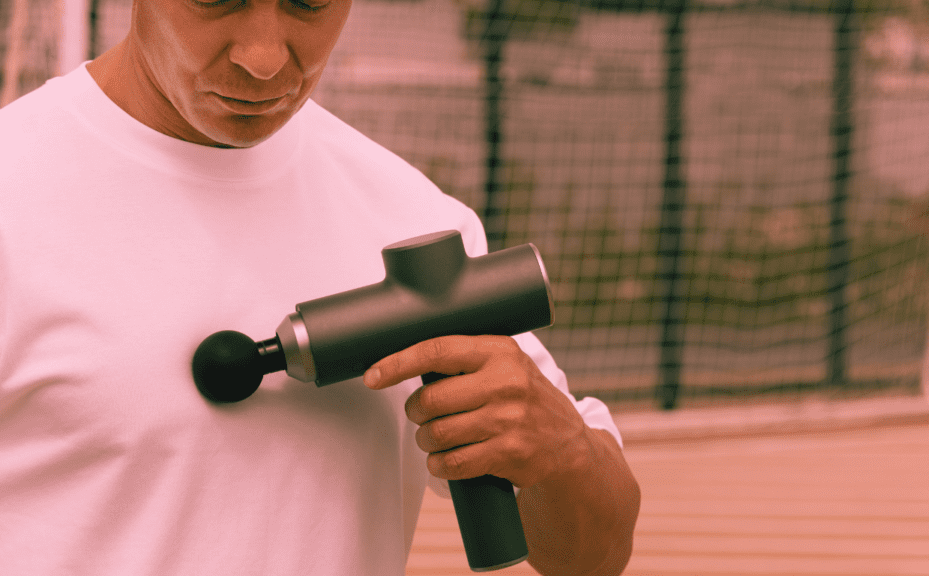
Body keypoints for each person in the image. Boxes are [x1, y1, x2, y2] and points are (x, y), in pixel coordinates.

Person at [0, 1, 640, 575]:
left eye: (308, 3)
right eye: (218, 0)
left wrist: (561, 455)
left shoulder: (412, 221)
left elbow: (595, 556)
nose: (263, 58)